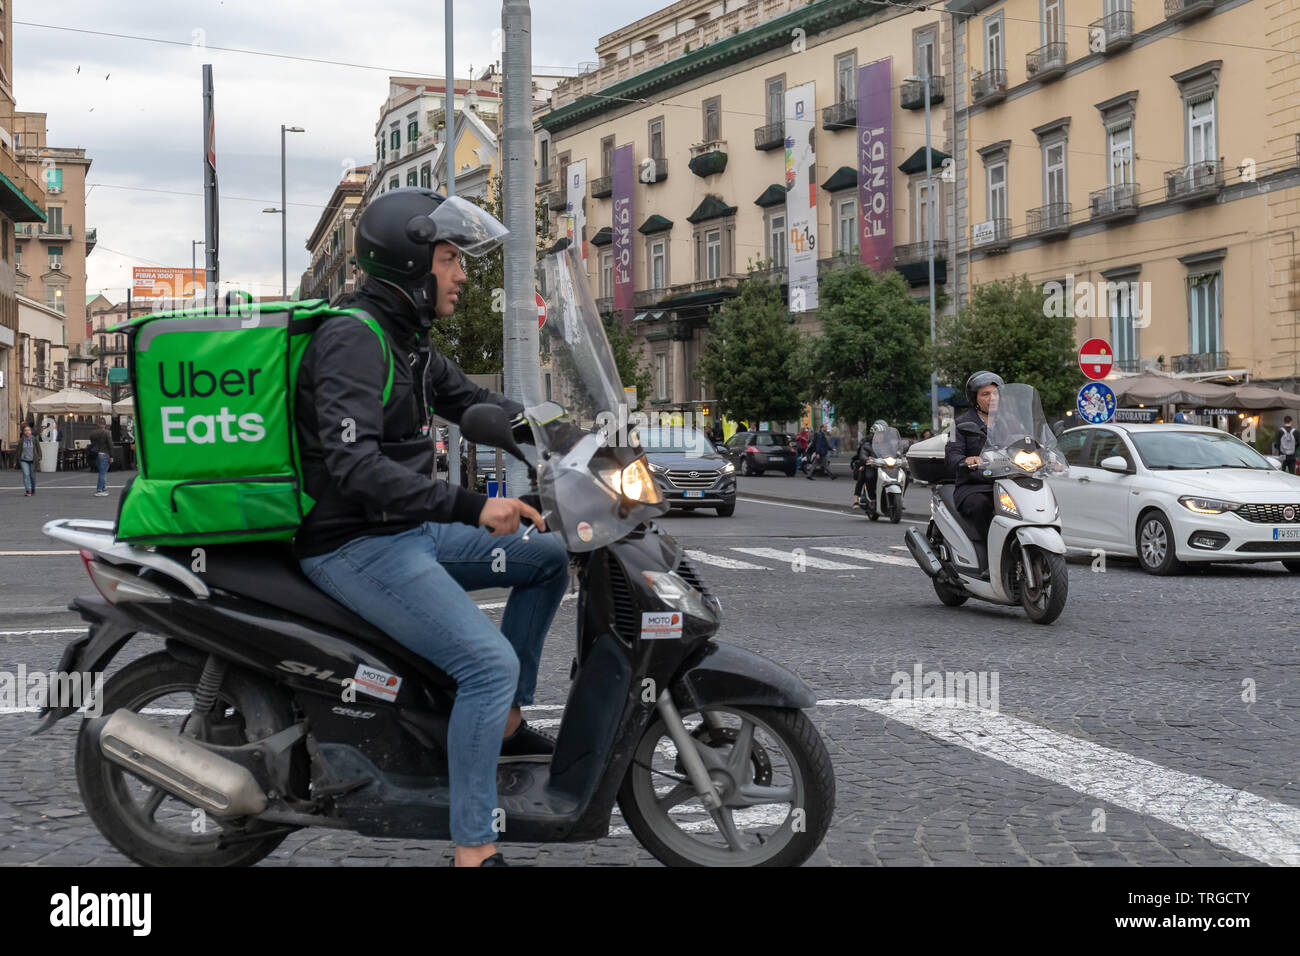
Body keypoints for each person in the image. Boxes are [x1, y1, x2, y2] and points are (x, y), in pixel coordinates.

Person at [294, 189, 569, 868]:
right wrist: (470, 506)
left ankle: (504, 725)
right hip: (354, 544)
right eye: (450, 259)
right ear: (411, 265)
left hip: (403, 530)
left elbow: (474, 402)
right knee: (485, 664)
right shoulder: (353, 339)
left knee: (547, 556)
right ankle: (474, 848)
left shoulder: (408, 341)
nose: (462, 273)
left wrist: (567, 434)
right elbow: (355, 467)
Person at [945, 371, 1004, 540]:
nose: (992, 398)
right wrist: (966, 460)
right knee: (980, 504)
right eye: (985, 394)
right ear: (974, 398)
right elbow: (951, 454)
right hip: (974, 485)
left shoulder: (1010, 421)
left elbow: (1025, 441)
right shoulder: (958, 424)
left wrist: (1045, 454)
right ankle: (987, 548)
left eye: (995, 394)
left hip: (1006, 483)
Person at [852, 420, 887, 508]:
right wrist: (865, 461)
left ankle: (898, 500)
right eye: (879, 433)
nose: (881, 435)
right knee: (864, 476)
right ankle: (856, 499)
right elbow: (862, 454)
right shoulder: (867, 442)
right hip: (868, 464)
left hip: (884, 465)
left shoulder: (887, 443)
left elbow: (894, 452)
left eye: (883, 433)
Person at [89, 417, 113, 496]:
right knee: (102, 473)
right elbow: (110, 445)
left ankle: (103, 488)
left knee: (101, 472)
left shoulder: (93, 433)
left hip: (96, 454)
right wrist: (112, 456)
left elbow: (92, 443)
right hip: (105, 454)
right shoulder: (107, 432)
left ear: (97, 424)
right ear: (105, 424)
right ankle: (99, 490)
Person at [18, 425, 36, 497]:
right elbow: (18, 451)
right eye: (25, 430)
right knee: (26, 474)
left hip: (33, 460)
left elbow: (38, 449)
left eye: (28, 430)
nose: (27, 431)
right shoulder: (21, 440)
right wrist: (15, 461)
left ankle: (33, 490)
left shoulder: (34, 439)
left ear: (31, 431)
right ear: (23, 432)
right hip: (23, 460)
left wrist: (39, 457)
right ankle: (28, 491)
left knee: (32, 477)